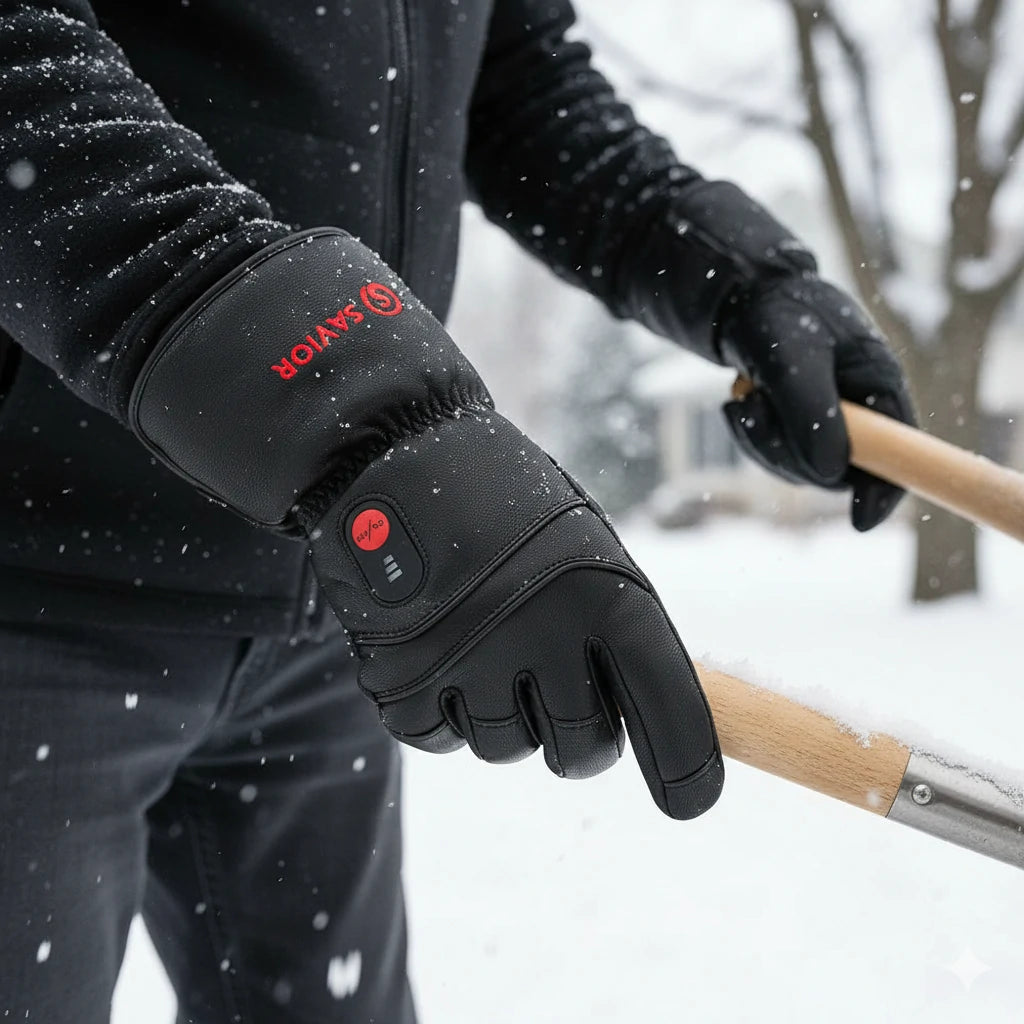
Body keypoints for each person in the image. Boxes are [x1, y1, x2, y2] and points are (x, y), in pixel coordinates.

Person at [0, 1, 915, 1020]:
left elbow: (519, 83)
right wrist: (355, 416)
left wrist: (736, 280)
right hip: (42, 587)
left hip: (325, 599)